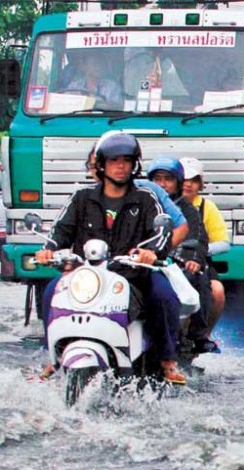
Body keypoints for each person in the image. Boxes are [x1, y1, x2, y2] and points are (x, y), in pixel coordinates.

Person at [35, 132, 186, 384]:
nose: (120, 166)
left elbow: (161, 231)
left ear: (134, 164)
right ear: (102, 164)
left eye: (126, 160)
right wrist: (48, 249)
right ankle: (55, 356)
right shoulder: (82, 198)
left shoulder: (146, 198)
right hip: (87, 275)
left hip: (133, 274)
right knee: (51, 292)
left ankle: (167, 360)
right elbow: (60, 231)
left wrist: (152, 253)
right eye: (114, 160)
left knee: (164, 296)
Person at [147, 157, 214, 355]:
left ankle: (197, 336)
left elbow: (198, 238)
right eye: (157, 179)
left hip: (174, 264)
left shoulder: (186, 209)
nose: (162, 184)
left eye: (168, 179)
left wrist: (192, 260)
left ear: (177, 182)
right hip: (140, 264)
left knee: (198, 279)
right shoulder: (141, 203)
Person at [86, 139, 190, 247]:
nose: (98, 169)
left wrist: (156, 253)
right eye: (94, 166)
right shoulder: (82, 197)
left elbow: (181, 227)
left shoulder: (149, 191)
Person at [180, 157, 229, 354]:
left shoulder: (206, 208)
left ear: (200, 183)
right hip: (167, 261)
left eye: (193, 180)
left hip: (198, 264)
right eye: (183, 179)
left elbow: (223, 242)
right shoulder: (164, 204)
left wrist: (197, 252)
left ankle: (201, 336)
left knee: (216, 291)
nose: (188, 184)